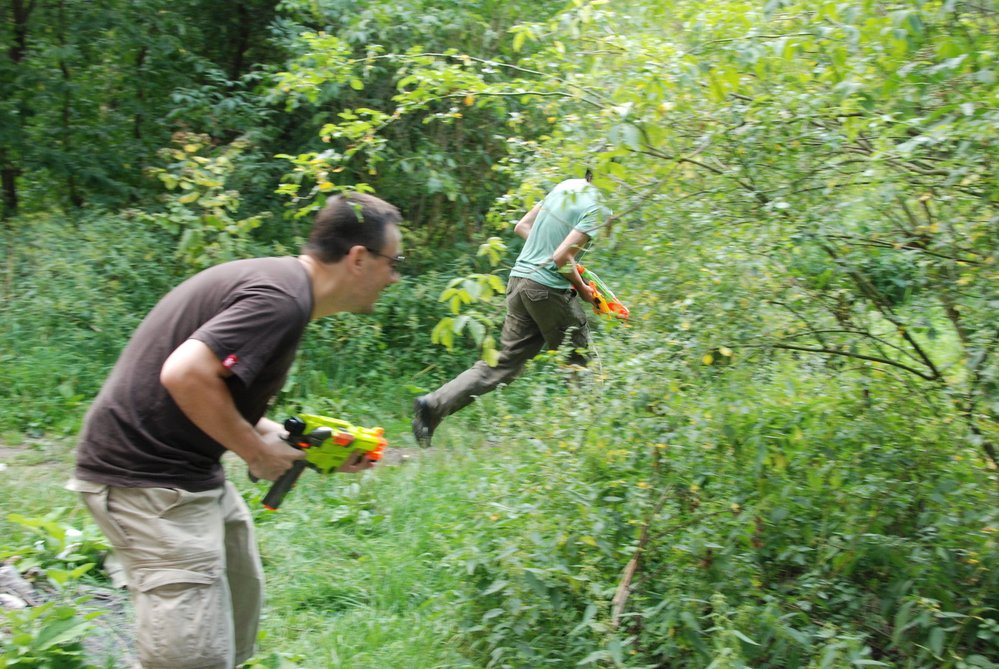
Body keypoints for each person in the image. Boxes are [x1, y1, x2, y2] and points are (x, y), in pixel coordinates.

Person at [66, 192, 405, 669]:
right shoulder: (281, 300)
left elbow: (214, 394)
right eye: (394, 262)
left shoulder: (285, 289)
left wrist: (300, 446)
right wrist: (254, 452)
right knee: (191, 657)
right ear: (357, 258)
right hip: (146, 480)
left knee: (237, 601)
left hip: (184, 472)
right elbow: (184, 374)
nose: (394, 276)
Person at [412, 169, 611, 447]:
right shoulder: (597, 208)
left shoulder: (564, 188)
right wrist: (584, 291)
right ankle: (590, 444)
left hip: (519, 282)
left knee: (502, 363)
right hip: (546, 290)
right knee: (581, 363)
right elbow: (561, 257)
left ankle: (433, 406)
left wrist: (559, 259)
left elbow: (522, 226)